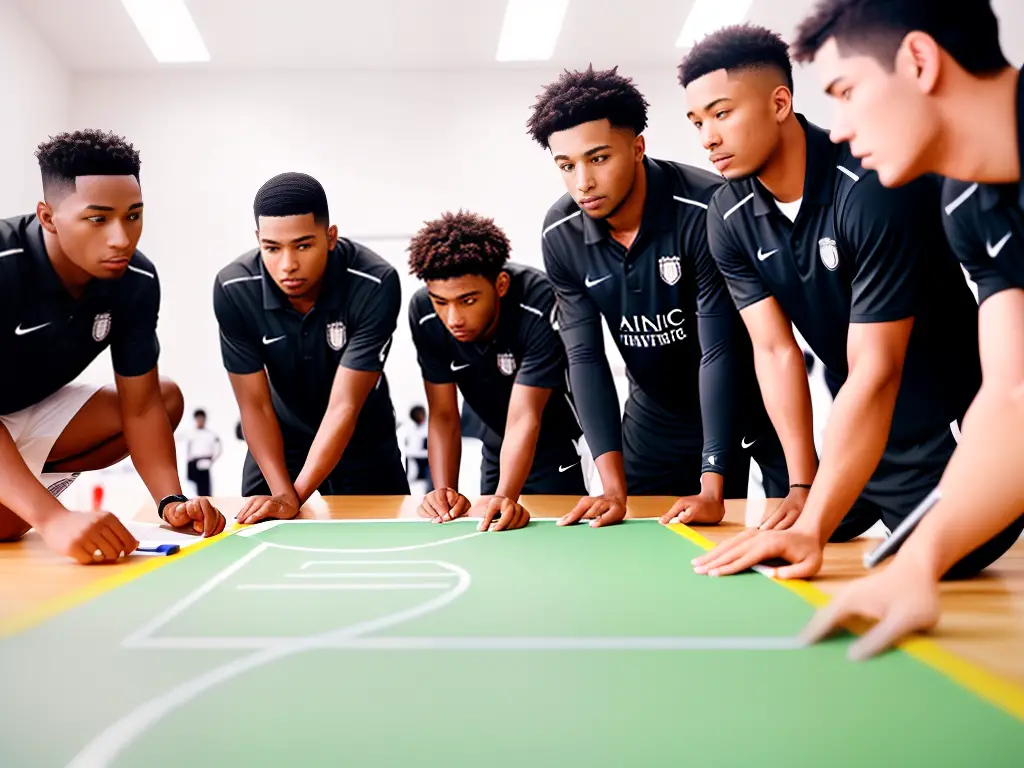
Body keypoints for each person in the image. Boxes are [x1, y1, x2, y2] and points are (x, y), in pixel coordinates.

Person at [678, 24, 1004, 583]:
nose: (707, 136)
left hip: (943, 429)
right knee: (779, 536)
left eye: (722, 113)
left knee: (952, 566)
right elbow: (776, 351)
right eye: (697, 122)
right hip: (854, 433)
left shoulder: (874, 184)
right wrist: (804, 486)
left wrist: (814, 526)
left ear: (780, 102)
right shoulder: (725, 214)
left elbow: (878, 368)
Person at [786, 0, 1024, 659]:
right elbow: (1011, 393)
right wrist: (917, 567)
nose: (837, 129)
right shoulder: (965, 203)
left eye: (847, 92)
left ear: (919, 61)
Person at [530, 65, 789, 530]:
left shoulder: (710, 207)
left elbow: (720, 349)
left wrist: (712, 480)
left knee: (778, 543)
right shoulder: (560, 233)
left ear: (637, 147)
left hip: (748, 402)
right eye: (566, 166)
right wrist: (609, 486)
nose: (582, 182)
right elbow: (585, 357)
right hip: (655, 416)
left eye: (598, 158)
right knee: (639, 545)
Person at [0, 129, 225, 563]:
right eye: (99, 219)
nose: (122, 238)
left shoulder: (136, 280)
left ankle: (22, 492)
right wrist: (52, 518)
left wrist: (171, 502)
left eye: (133, 215)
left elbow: (140, 407)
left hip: (24, 409)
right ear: (48, 217)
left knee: (165, 396)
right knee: (16, 525)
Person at [213, 172, 409, 524]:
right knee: (258, 542)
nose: (287, 265)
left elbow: (344, 406)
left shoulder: (376, 282)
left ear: (330, 237)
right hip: (278, 436)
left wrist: (294, 497)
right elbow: (254, 404)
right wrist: (281, 492)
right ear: (258, 239)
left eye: (303, 245)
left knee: (382, 547)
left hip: (362, 436)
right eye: (272, 248)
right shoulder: (234, 287)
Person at [408, 210, 587, 531]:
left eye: (468, 300)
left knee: (558, 541)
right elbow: (444, 413)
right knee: (490, 531)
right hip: (495, 442)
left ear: (501, 284)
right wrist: (443, 492)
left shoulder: (540, 300)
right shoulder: (423, 312)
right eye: (440, 302)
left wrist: (506, 495)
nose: (453, 319)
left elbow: (525, 415)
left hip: (555, 445)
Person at [184, 408, 222, 497]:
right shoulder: (190, 434)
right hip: (193, 463)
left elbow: (217, 449)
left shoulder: (211, 435)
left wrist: (211, 460)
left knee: (204, 490)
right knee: (192, 487)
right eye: (198, 419)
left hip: (204, 462)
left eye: (202, 419)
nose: (200, 421)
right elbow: (187, 449)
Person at [404, 405, 432, 492]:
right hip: (414, 459)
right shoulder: (408, 429)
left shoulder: (430, 428)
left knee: (430, 485)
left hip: (429, 461)